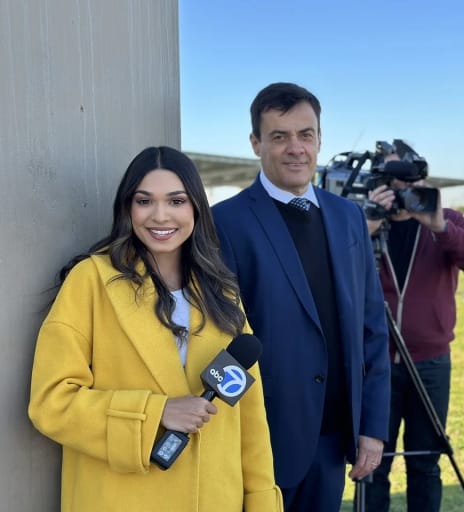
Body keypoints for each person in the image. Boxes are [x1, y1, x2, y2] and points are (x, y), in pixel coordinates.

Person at [28, 146, 283, 512]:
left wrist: (261, 502)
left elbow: (249, 418)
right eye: (144, 201)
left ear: (196, 206)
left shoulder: (221, 292)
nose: (160, 215)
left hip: (216, 499)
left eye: (176, 201)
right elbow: (51, 402)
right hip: (120, 499)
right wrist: (155, 413)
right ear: (127, 208)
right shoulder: (92, 281)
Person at [211, 82, 391, 512]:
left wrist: (372, 426)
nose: (296, 148)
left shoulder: (348, 217)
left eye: (305, 134)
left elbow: (372, 327)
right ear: (255, 143)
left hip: (332, 441)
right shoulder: (223, 222)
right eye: (279, 136)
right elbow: (216, 340)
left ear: (319, 139)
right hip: (259, 440)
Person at [362, 151, 464, 511]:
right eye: (393, 181)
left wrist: (440, 227)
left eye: (411, 182)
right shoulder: (363, 223)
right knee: (373, 463)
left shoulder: (446, 220)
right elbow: (330, 271)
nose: (403, 189)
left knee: (426, 462)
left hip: (431, 363)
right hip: (376, 365)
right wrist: (363, 226)